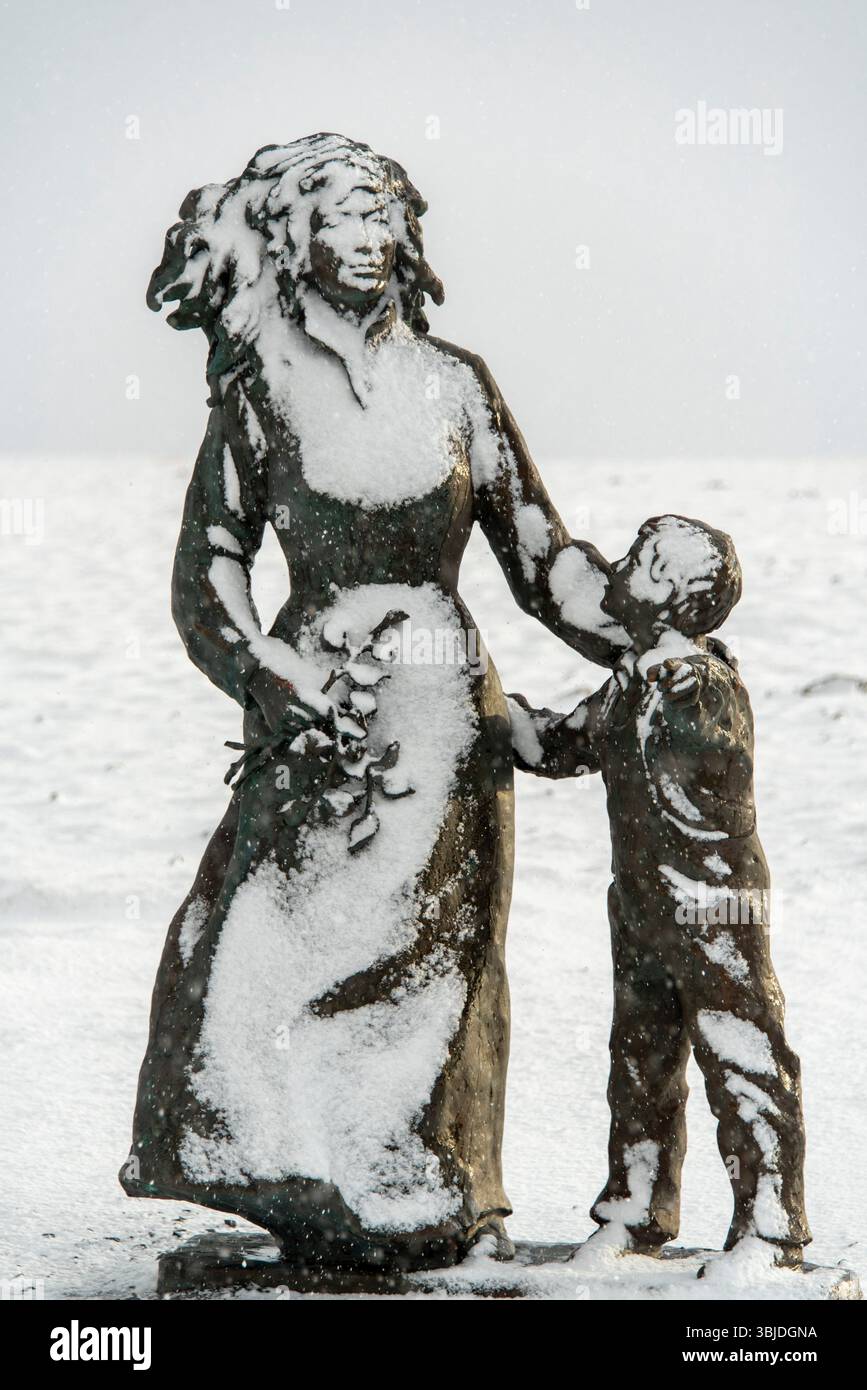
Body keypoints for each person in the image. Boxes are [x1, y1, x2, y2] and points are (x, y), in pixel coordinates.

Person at [120, 133, 626, 1272]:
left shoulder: (458, 385)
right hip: (315, 710)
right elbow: (209, 560)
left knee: (431, 965)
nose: (366, 239)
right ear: (298, 238)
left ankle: (424, 1190)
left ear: (407, 237)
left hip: (445, 715)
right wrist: (258, 666)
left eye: (381, 218)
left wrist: (644, 626)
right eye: (341, 219)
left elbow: (543, 559)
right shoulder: (263, 388)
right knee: (259, 939)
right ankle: (291, 1171)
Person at [508, 515, 811, 1266]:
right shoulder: (625, 683)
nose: (617, 570)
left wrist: (684, 685)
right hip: (641, 904)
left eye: (639, 564)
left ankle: (769, 1227)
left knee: (740, 1054)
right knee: (640, 1057)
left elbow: (718, 742)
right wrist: (493, 714)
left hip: (714, 906)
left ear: (676, 599)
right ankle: (636, 1210)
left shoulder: (700, 681)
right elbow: (556, 746)